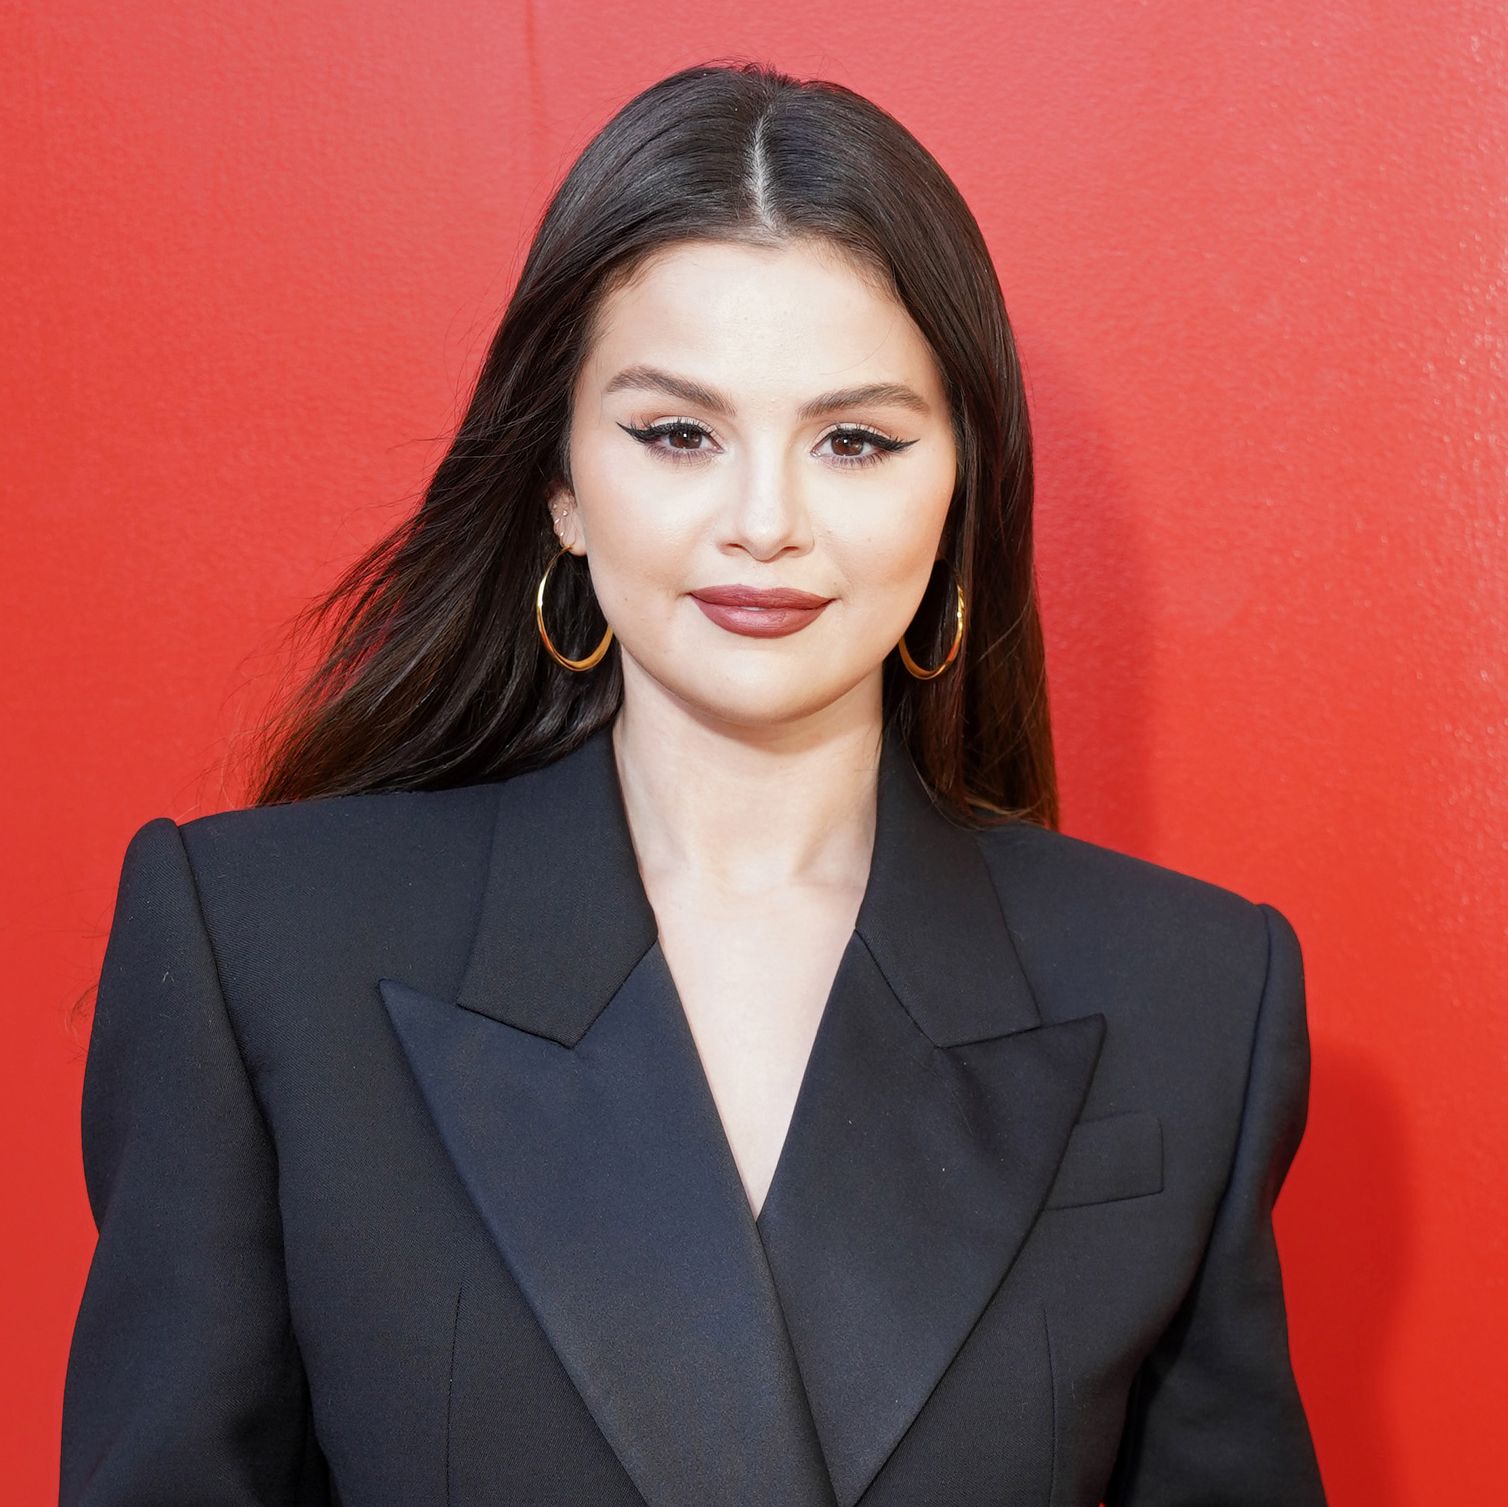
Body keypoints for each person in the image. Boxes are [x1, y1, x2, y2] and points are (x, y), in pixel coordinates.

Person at [59, 59, 1327, 1507]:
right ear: (559, 482)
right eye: (677, 433)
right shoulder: (261, 950)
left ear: (961, 485)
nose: (765, 522)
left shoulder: (1192, 996)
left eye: (854, 440)